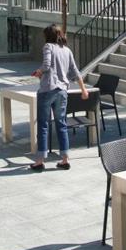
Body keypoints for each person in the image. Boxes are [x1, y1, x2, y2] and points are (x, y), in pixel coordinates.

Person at [29, 25, 88, 171]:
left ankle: (40, 160)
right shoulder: (67, 50)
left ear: (47, 36)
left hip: (47, 90)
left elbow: (47, 65)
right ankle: (65, 159)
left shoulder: (48, 46)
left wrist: (38, 71)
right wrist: (83, 89)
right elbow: (75, 71)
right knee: (61, 124)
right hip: (62, 91)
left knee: (43, 124)